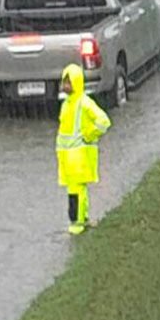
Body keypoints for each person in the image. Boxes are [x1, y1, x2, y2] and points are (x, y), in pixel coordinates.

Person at [55, 63, 112, 236]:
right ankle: (83, 218)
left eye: (68, 82)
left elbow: (103, 121)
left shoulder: (84, 103)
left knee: (75, 192)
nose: (65, 86)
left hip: (77, 156)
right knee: (79, 190)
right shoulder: (66, 104)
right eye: (64, 82)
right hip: (68, 157)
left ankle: (76, 222)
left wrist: (90, 135)